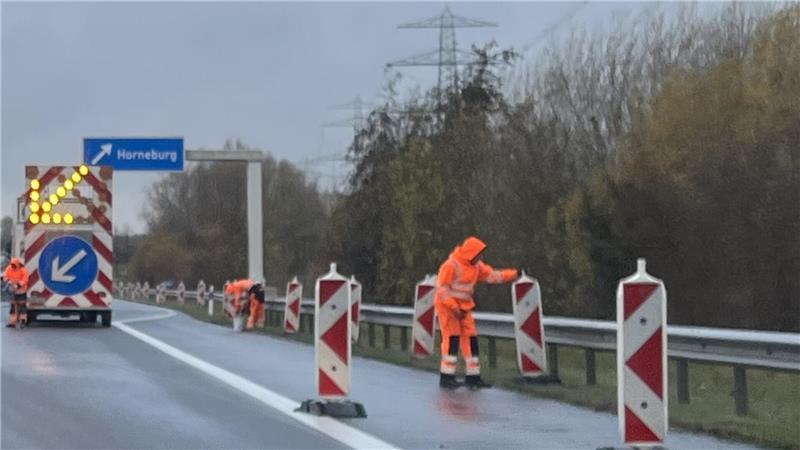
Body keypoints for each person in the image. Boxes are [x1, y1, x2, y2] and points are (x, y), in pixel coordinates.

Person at [435, 236, 519, 389]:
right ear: (471, 254)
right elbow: (442, 291)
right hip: (449, 309)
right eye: (479, 254)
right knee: (452, 340)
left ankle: (473, 378)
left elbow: (493, 276)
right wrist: (455, 308)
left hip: (464, 309)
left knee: (471, 340)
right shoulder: (451, 266)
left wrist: (514, 274)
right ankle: (446, 378)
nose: (481, 257)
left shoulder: (476, 266)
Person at [3, 257, 29, 328]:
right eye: (12, 265)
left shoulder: (23, 270)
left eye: (14, 265)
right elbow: (5, 276)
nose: (13, 266)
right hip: (12, 291)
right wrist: (8, 281)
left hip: (21, 291)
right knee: (13, 307)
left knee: (22, 307)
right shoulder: (9, 268)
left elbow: (25, 279)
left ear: (18, 264)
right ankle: (13, 322)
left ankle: (23, 321)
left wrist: (18, 285)